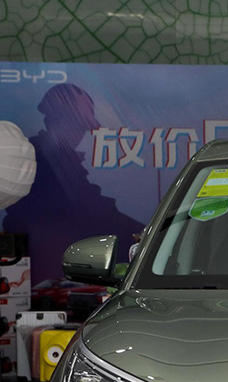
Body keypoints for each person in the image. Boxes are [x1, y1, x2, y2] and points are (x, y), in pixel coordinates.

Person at [3, 84, 142, 283]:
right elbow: (92, 209)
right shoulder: (44, 158)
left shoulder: (54, 157)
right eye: (78, 127)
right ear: (60, 120)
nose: (80, 135)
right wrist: (144, 235)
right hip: (45, 268)